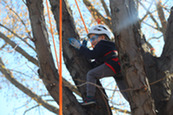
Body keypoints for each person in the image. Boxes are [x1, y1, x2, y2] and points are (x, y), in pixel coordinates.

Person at [69, 25, 121, 106]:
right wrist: (84, 49)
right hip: (116, 67)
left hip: (112, 65)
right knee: (126, 92)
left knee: (91, 74)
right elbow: (95, 63)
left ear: (103, 37)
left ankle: (90, 98)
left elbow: (92, 55)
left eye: (93, 38)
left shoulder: (103, 44)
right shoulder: (107, 47)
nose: (92, 42)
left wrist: (80, 47)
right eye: (90, 39)